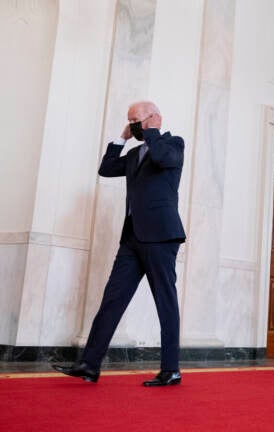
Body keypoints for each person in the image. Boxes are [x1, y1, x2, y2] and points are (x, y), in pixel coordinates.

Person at [53, 101, 186, 386]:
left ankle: (171, 370)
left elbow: (164, 159)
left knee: (166, 302)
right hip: (132, 238)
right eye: (131, 122)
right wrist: (123, 138)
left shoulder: (173, 143)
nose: (135, 126)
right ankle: (89, 365)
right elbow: (106, 168)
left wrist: (151, 130)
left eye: (137, 120)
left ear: (154, 118)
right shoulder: (135, 152)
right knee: (112, 299)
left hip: (162, 237)